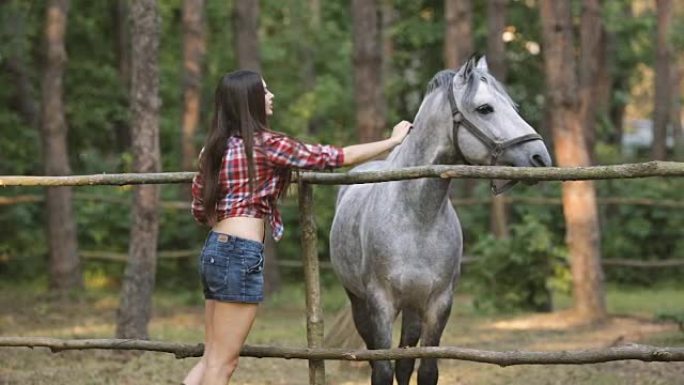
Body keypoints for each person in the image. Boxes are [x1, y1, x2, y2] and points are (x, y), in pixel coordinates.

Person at [182, 70, 411, 385]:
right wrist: (393, 141)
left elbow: (199, 208)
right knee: (223, 364)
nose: (271, 95)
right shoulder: (266, 145)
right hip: (239, 254)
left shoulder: (211, 150)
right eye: (264, 91)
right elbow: (333, 157)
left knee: (212, 358)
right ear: (249, 101)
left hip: (215, 250)